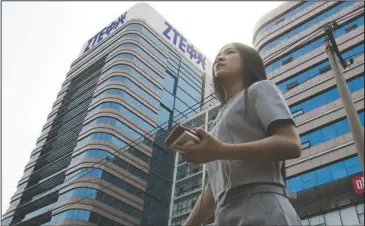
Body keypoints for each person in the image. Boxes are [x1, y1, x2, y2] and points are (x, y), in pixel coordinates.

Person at [171, 43, 303, 226]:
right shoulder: (217, 121)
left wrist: (221, 150)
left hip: (262, 205)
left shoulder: (260, 89)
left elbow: (291, 144)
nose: (219, 58)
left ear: (248, 62)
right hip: (224, 214)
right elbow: (214, 185)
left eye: (229, 52)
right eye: (218, 55)